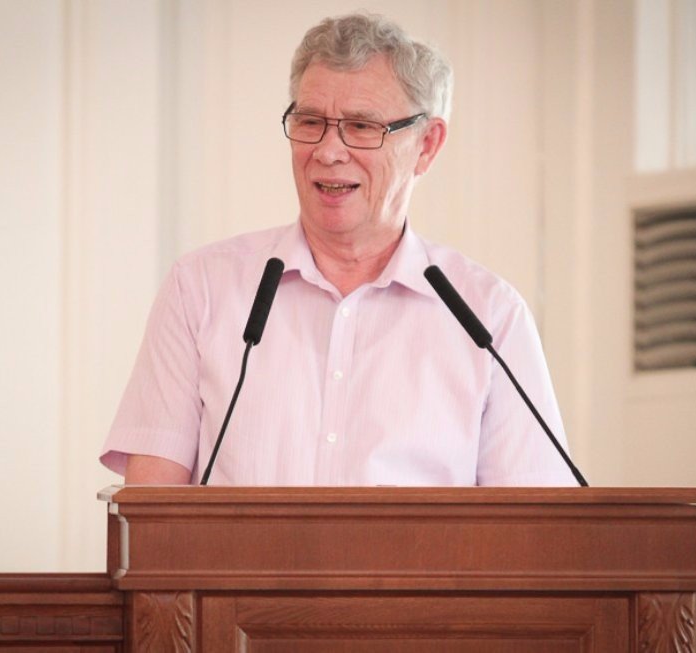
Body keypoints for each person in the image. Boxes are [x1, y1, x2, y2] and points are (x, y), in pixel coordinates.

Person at [99, 12, 576, 487]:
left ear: (427, 145)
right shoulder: (200, 289)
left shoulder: (490, 317)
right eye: (311, 122)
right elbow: (150, 511)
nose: (328, 152)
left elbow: (533, 522)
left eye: (362, 127)